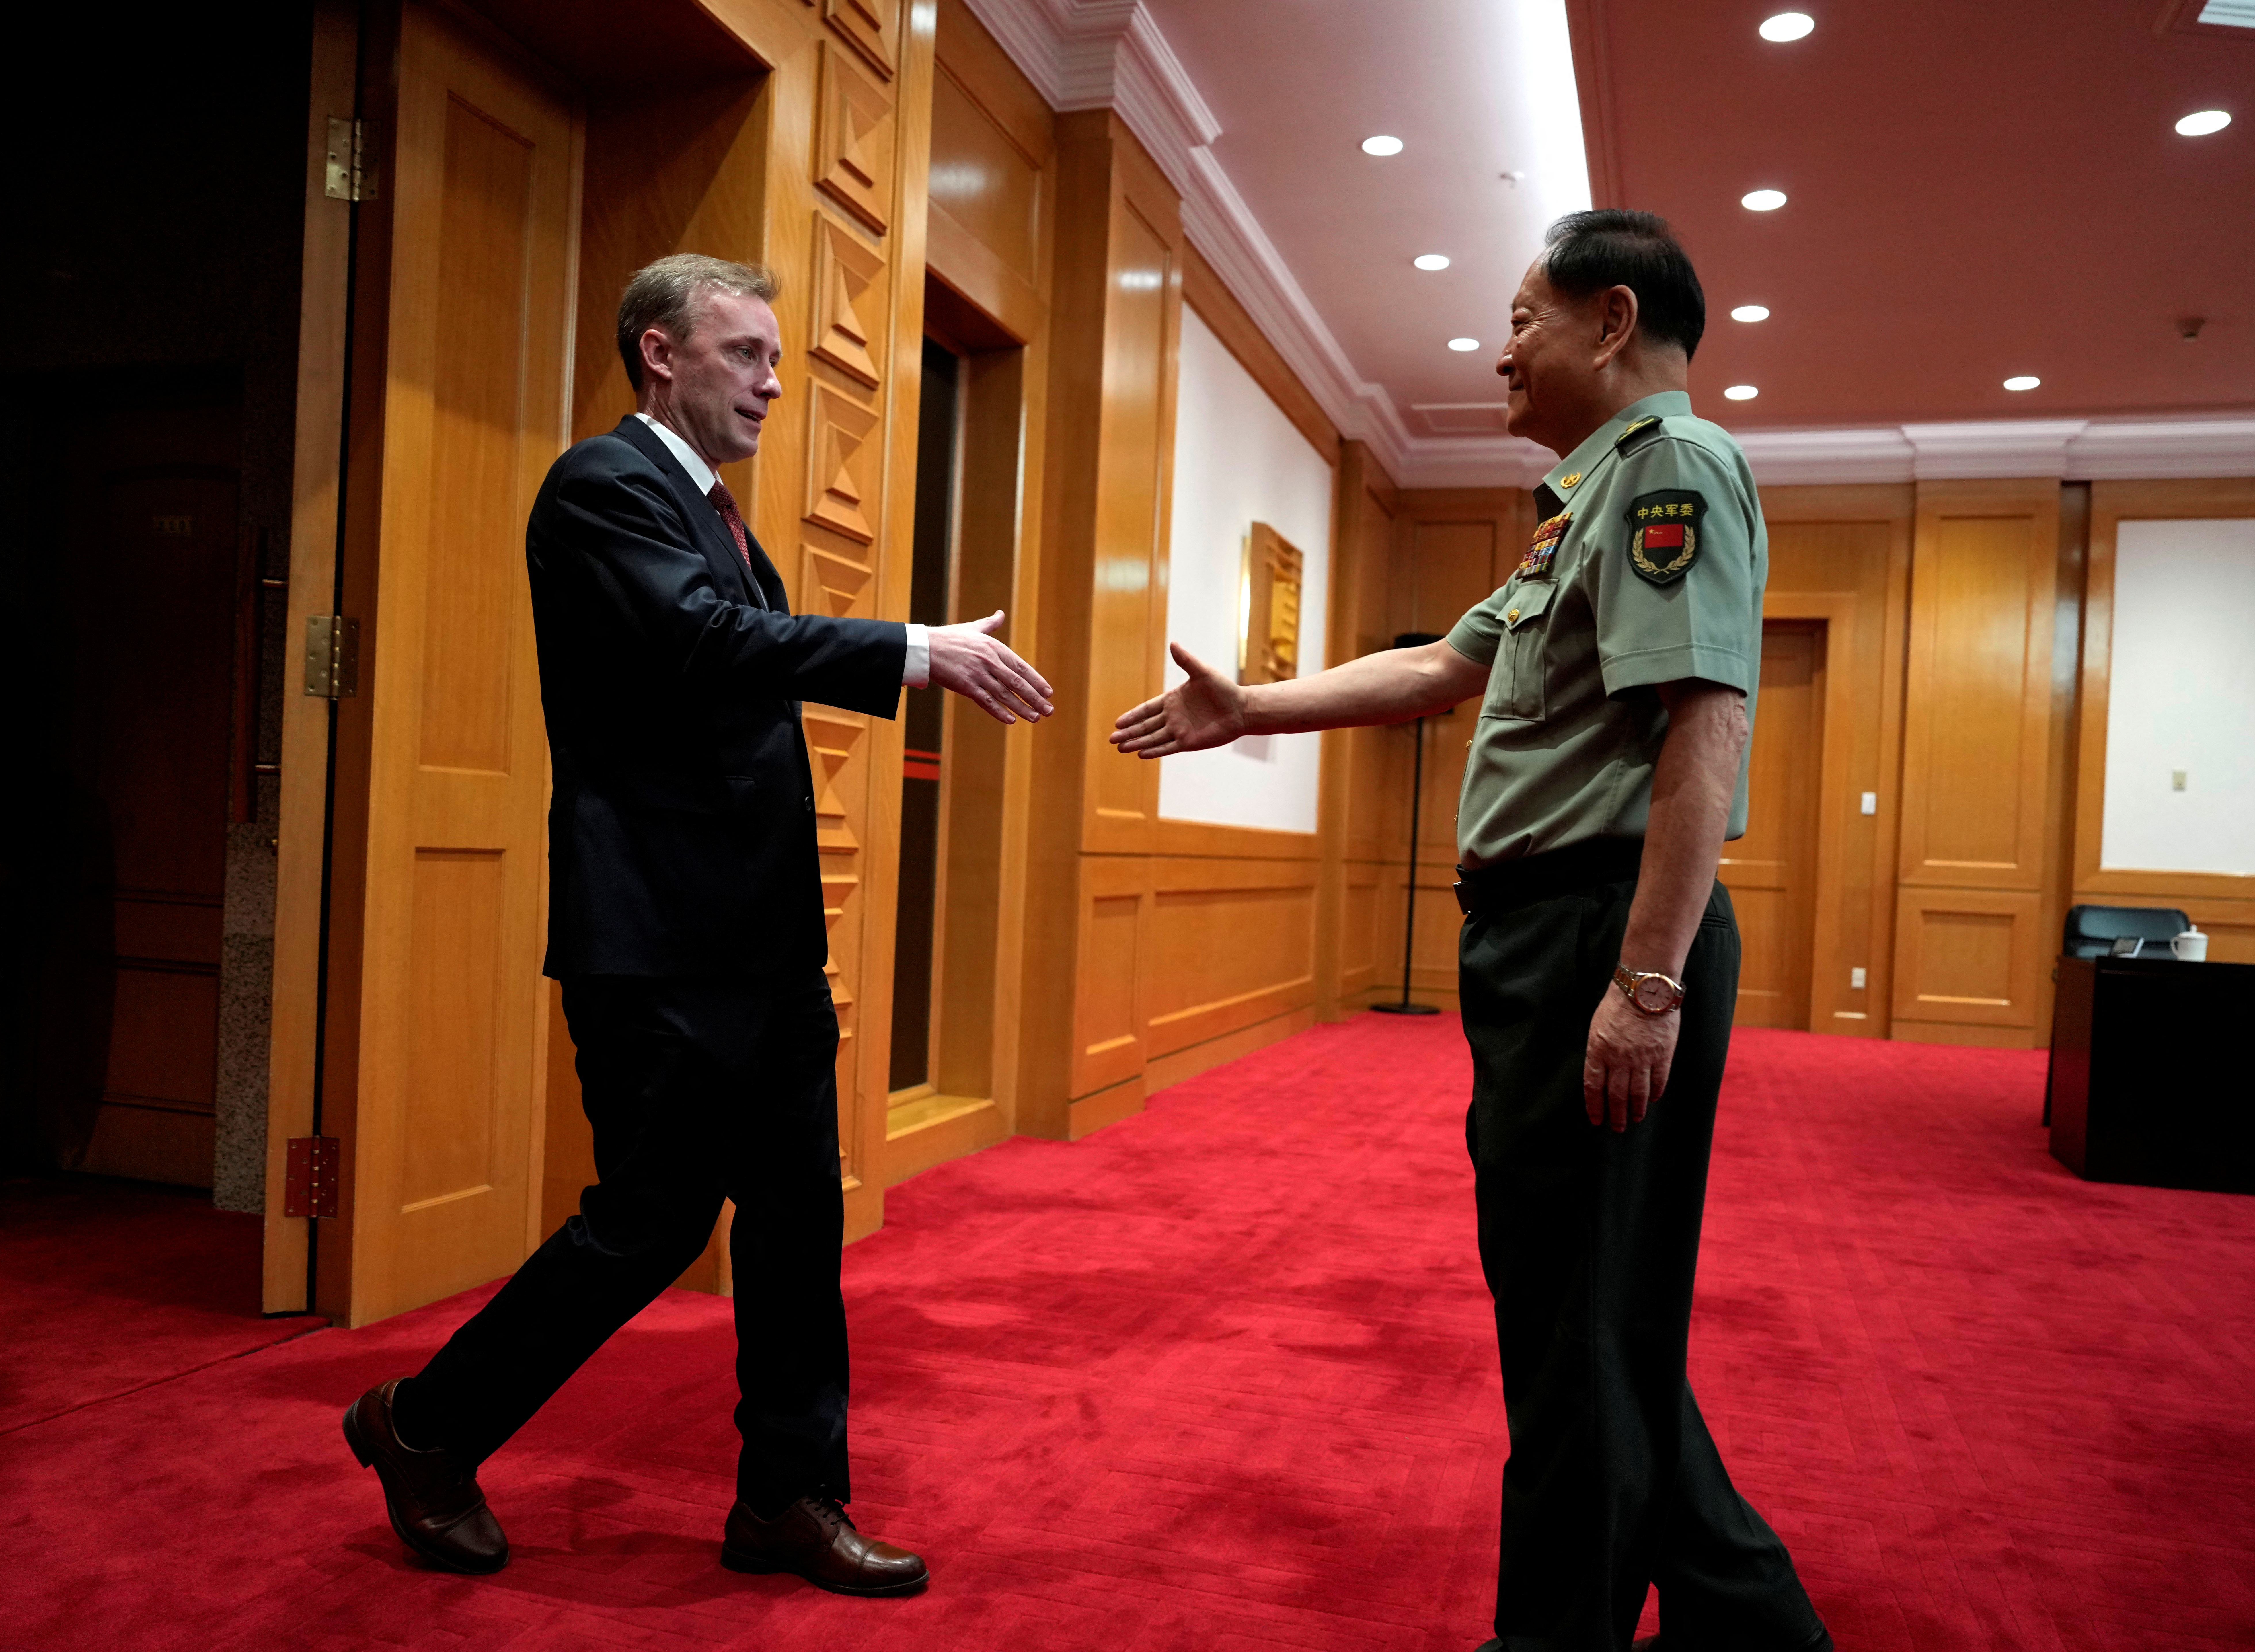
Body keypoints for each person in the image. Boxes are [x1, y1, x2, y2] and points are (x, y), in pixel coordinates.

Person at [1112, 210, 1829, 1652]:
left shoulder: (1672, 471)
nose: (1499, 349)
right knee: (1586, 1313)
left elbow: (1710, 728)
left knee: (1583, 1328)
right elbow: (1444, 663)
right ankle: (1753, 1625)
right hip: (1540, 935)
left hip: (1598, 931)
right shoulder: (1586, 504)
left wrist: (1646, 980)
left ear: (1612, 321)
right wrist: (1253, 707)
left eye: (1523, 319)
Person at [343, 254, 1055, 1594]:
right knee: (650, 1224)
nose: (776, 383)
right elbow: (701, 643)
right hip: (656, 942)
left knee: (795, 1221)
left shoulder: (714, 514)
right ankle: (422, 1426)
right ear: (660, 354)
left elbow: (734, 662)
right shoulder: (604, 486)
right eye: (746, 354)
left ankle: (788, 1497)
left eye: (781, 360)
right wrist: (912, 646)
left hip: (763, 944)